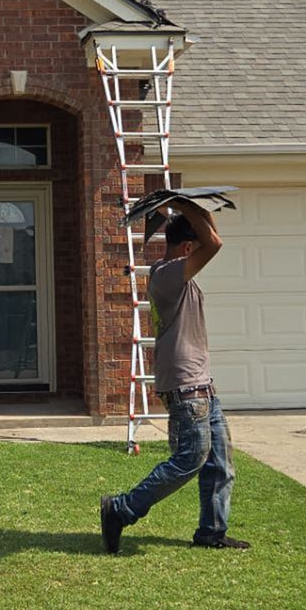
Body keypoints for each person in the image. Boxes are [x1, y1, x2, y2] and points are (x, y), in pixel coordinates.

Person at [100, 195, 247, 552]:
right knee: (189, 459)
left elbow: (209, 235)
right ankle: (121, 509)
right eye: (195, 250)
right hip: (186, 387)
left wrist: (198, 209)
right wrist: (184, 205)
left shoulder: (175, 275)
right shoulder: (167, 276)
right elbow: (215, 243)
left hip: (202, 386)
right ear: (186, 247)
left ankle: (212, 531)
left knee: (219, 463)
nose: (201, 258)